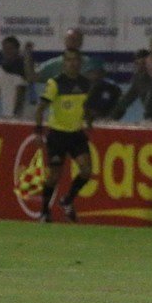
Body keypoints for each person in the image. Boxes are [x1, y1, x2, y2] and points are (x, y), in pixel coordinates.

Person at [33, 49, 95, 222]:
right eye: (69, 60)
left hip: (76, 134)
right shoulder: (55, 83)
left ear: (80, 63)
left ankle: (67, 199)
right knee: (53, 176)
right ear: (64, 63)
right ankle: (44, 211)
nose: (72, 63)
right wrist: (38, 131)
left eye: (75, 60)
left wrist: (89, 120)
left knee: (86, 170)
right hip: (57, 135)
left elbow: (87, 107)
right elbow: (40, 108)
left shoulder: (85, 83)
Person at [0, 35, 31, 118]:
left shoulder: (23, 68)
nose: (7, 51)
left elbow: (21, 93)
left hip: (22, 117)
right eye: (4, 48)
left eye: (10, 48)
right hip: (7, 116)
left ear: (17, 50)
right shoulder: (1, 69)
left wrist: (16, 115)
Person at [111, 48, 152, 122]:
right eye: (138, 64)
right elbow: (127, 99)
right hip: (151, 118)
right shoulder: (138, 78)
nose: (142, 67)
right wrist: (113, 117)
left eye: (144, 63)